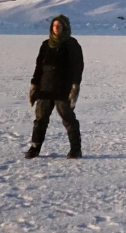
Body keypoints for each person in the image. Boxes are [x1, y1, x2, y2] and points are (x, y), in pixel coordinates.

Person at [26, 14, 84, 159]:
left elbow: (78, 67)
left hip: (62, 89)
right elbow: (39, 66)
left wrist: (75, 86)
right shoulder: (46, 44)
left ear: (65, 27)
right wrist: (34, 85)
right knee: (40, 120)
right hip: (45, 88)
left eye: (59, 25)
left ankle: (75, 150)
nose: (56, 28)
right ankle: (35, 147)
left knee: (69, 120)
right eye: (54, 25)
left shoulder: (72, 44)